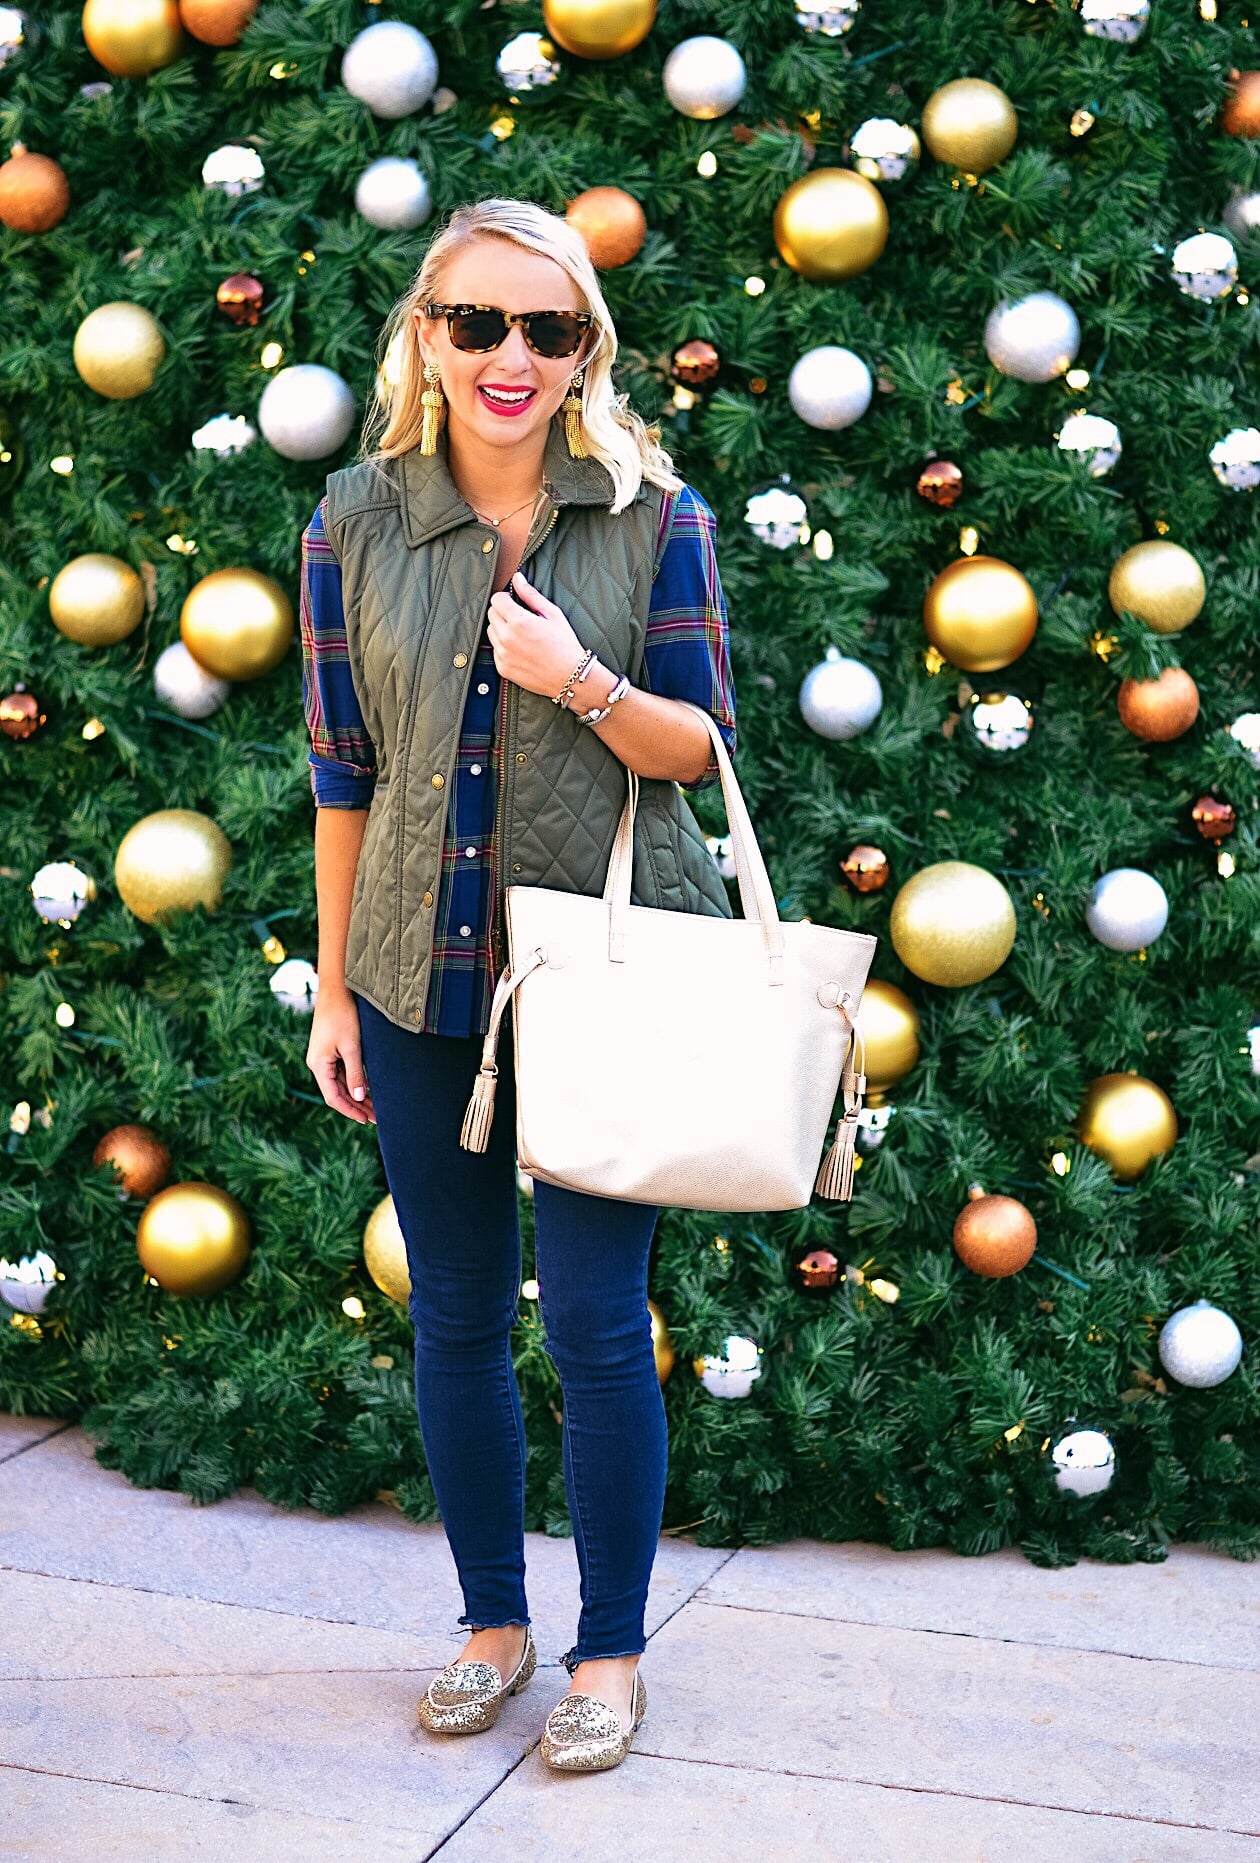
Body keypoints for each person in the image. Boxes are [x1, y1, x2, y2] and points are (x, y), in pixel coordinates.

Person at [300, 196, 736, 1774]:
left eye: (547, 331)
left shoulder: (650, 515)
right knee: (460, 1320)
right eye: (476, 322)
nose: (509, 357)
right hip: (418, 981)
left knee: (605, 1329)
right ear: (428, 331)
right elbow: (342, 772)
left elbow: (700, 748)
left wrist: (585, 683)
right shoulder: (351, 520)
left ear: (584, 353)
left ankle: (610, 1654)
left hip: (600, 988)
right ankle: (493, 1626)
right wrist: (341, 991)